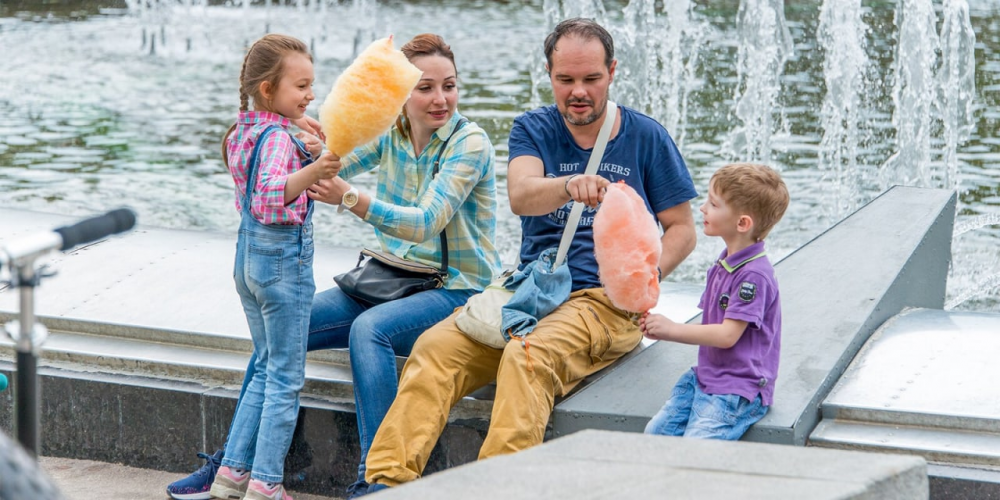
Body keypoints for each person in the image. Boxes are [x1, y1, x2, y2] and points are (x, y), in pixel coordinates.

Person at [360, 18, 698, 494]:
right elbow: (521, 195)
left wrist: (644, 278)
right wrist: (568, 186)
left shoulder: (645, 136)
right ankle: (386, 485)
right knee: (434, 351)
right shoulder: (533, 127)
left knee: (527, 358)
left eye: (590, 79)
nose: (578, 91)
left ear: (612, 72)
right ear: (549, 75)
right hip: (531, 290)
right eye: (566, 80)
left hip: (602, 302)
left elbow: (682, 228)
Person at [166, 33, 501, 500]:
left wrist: (351, 197)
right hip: (390, 279)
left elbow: (426, 223)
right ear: (398, 93)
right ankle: (235, 465)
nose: (440, 98)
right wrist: (299, 131)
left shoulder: (470, 144)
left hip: (456, 288)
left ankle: (379, 479)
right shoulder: (394, 133)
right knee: (279, 336)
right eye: (425, 87)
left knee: (371, 331)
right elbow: (329, 159)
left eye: (449, 85)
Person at [208, 33, 340, 500]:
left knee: (265, 366)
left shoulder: (244, 128)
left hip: (248, 261)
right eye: (301, 86)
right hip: (283, 263)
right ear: (269, 90)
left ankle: (231, 475)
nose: (310, 95)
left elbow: (263, 174)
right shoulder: (280, 138)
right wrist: (317, 170)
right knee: (286, 376)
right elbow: (269, 197)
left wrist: (305, 136)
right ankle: (267, 483)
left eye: (311, 85)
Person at [641, 162, 788, 440]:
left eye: (713, 204)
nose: (703, 208)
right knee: (656, 434)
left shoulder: (754, 275)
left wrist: (670, 329)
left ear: (742, 223)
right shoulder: (725, 262)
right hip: (707, 379)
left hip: (738, 389)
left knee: (697, 447)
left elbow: (727, 334)